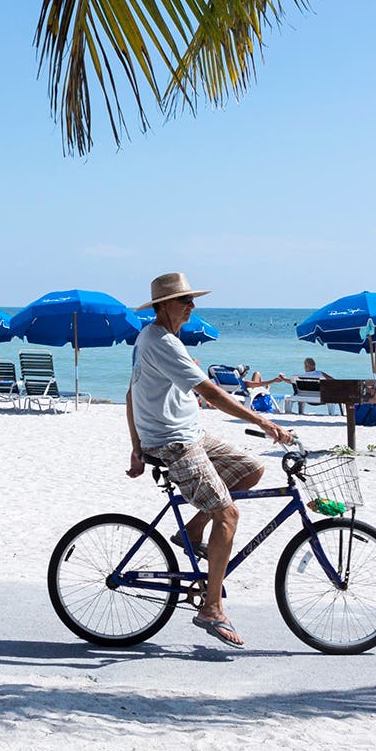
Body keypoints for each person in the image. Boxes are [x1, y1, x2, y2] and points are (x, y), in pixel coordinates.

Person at [126, 271, 293, 649]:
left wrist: (135, 446)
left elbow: (129, 394)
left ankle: (195, 530)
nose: (192, 306)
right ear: (164, 305)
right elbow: (212, 393)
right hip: (174, 444)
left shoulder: (160, 339)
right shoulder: (161, 342)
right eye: (185, 301)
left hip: (191, 436)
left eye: (191, 299)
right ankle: (211, 607)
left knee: (252, 470)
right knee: (229, 514)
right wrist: (265, 422)